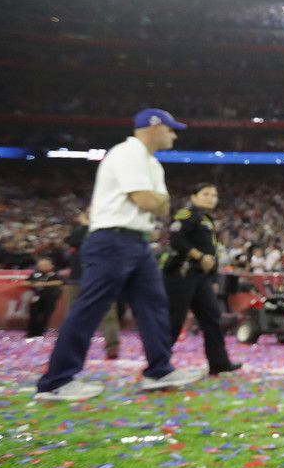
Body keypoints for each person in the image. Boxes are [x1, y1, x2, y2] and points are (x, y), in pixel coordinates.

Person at [34, 108, 205, 401]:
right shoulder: (128, 153)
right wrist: (155, 200)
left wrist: (155, 200)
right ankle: (56, 381)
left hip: (137, 241)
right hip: (112, 239)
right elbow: (146, 200)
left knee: (154, 304)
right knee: (91, 307)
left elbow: (163, 207)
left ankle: (159, 370)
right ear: (154, 128)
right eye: (170, 129)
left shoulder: (152, 163)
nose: (174, 136)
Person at [162, 183, 241, 375]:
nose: (211, 198)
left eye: (214, 195)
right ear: (194, 196)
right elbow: (176, 240)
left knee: (212, 317)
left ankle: (219, 363)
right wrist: (199, 256)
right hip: (182, 273)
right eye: (206, 194)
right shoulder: (187, 214)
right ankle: (159, 364)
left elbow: (211, 251)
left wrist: (211, 277)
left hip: (201, 277)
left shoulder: (206, 219)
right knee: (174, 319)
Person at [65, 209, 124, 359]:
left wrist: (86, 225)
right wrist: (84, 226)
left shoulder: (109, 229)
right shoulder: (79, 230)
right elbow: (73, 240)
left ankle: (112, 346)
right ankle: (70, 346)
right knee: (73, 314)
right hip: (79, 277)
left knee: (108, 314)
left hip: (100, 277)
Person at [25, 258, 64, 338]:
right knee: (33, 315)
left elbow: (60, 282)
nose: (42, 266)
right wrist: (33, 283)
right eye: (40, 265)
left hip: (50, 297)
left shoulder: (55, 274)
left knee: (45, 315)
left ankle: (40, 333)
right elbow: (26, 282)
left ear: (51, 265)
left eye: (45, 265)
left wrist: (43, 284)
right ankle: (31, 333)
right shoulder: (35, 274)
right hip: (37, 297)